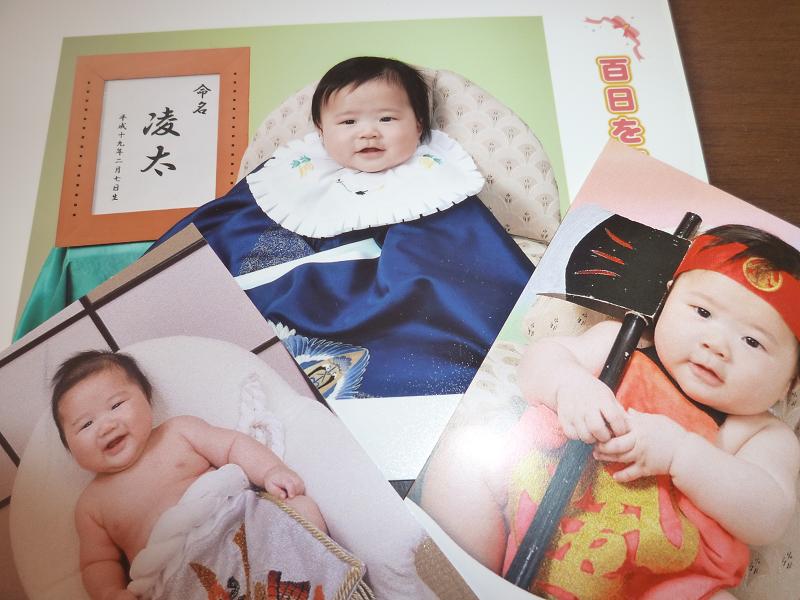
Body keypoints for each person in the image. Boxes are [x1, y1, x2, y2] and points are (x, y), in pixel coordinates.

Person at [423, 225, 800, 599]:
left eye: (753, 341)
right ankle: (469, 581)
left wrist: (682, 454)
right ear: (666, 299)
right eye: (702, 312)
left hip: (650, 578)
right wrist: (568, 385)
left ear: (791, 382)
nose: (716, 344)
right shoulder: (623, 345)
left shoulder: (760, 432)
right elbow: (540, 362)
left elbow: (768, 517)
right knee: (458, 465)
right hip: (531, 497)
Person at [152, 56, 533, 401]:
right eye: (348, 122)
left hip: (390, 307)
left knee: (422, 363)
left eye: (387, 119)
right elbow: (230, 221)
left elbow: (469, 256)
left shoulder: (433, 184)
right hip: (289, 289)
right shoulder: (297, 172)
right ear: (321, 130)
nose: (368, 133)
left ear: (418, 124)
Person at [51, 350, 328, 600]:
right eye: (86, 424)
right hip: (181, 578)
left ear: (146, 399)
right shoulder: (92, 505)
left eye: (116, 405)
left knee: (301, 508)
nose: (106, 426)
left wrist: (271, 471)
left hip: (242, 527)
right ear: (69, 447)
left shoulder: (179, 432)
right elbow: (97, 563)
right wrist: (109, 592)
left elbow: (233, 446)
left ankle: (318, 581)